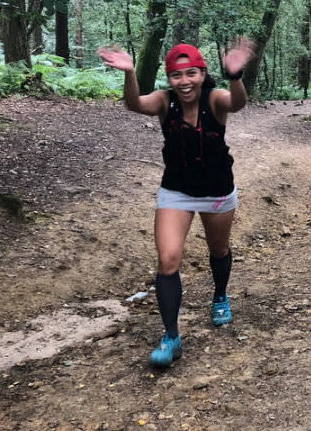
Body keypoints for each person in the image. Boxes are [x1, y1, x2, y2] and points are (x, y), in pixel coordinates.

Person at [97, 38, 255, 368]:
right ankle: (171, 337)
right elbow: (134, 104)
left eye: (191, 74)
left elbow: (237, 102)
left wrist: (235, 75)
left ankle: (220, 295)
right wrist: (129, 73)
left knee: (219, 250)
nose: (184, 82)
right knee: (168, 260)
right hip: (177, 190)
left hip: (217, 190)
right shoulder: (163, 102)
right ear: (169, 78)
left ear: (203, 74)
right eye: (177, 75)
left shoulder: (216, 100)